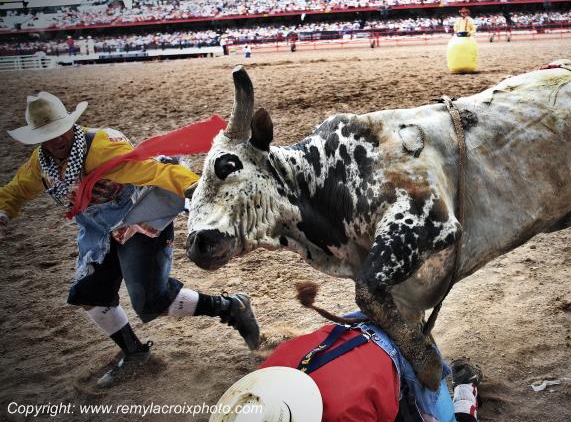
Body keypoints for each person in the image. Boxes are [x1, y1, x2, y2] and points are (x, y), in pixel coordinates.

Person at [0, 92, 260, 388]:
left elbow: (152, 170)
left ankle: (230, 307)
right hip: (98, 234)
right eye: (47, 135)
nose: (56, 139)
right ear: (37, 140)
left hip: (137, 217)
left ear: (70, 125)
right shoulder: (40, 165)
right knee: (88, 295)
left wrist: (193, 190)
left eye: (59, 130)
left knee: (151, 301)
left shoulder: (100, 147)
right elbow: (15, 191)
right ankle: (135, 352)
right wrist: (3, 213)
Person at [212, 311, 484, 422]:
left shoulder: (344, 414)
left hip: (405, 353)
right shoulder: (265, 377)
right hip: (356, 324)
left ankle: (465, 388)